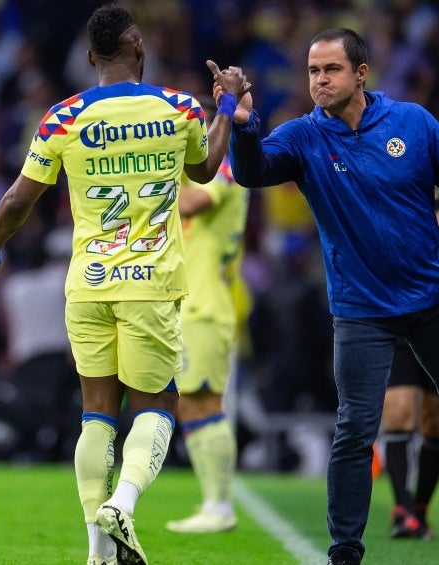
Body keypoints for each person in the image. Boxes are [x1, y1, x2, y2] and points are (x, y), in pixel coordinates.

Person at [222, 27, 439, 565]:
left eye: (331, 69)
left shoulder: (412, 122)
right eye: (313, 70)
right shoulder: (302, 136)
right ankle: (345, 552)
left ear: (361, 74)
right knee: (354, 431)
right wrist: (245, 125)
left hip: (436, 300)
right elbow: (252, 172)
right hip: (362, 311)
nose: (319, 80)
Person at [0, 5, 248, 565]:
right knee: (157, 403)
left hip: (88, 283)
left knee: (96, 412)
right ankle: (123, 501)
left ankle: (97, 552)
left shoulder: (61, 117)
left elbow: (17, 200)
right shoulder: (177, 107)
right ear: (138, 48)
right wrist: (225, 107)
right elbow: (205, 169)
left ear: (92, 55)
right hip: (149, 283)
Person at [165, 102, 250, 534]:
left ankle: (219, 506)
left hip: (206, 306)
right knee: (190, 405)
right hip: (188, 304)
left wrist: (147, 185)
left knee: (204, 401)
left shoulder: (222, 170)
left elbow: (196, 202)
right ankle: (212, 502)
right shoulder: (188, 173)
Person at [382, 188, 439, 540]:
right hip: (399, 313)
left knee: (435, 420)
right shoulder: (393, 190)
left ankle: (421, 507)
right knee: (398, 411)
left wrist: (431, 202)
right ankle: (403, 509)